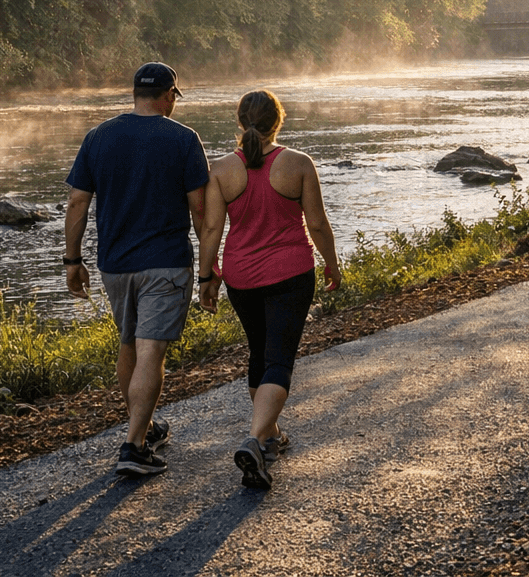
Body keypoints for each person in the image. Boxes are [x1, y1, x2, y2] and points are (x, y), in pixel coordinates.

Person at [64, 62, 209, 477]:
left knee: (129, 345)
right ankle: (133, 447)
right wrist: (211, 264)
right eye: (173, 98)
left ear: (134, 95)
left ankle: (141, 426)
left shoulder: (99, 137)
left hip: (115, 265)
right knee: (151, 351)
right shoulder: (183, 139)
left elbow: (78, 204)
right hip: (165, 263)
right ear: (168, 96)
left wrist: (72, 262)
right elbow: (199, 210)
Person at [198, 89, 343, 491]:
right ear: (278, 121)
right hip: (290, 273)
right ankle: (256, 440)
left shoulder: (222, 170)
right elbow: (317, 224)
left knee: (259, 352)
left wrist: (206, 276)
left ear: (240, 122)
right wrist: (332, 263)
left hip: (241, 277)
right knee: (279, 358)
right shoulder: (298, 164)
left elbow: (212, 229)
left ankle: (270, 435)